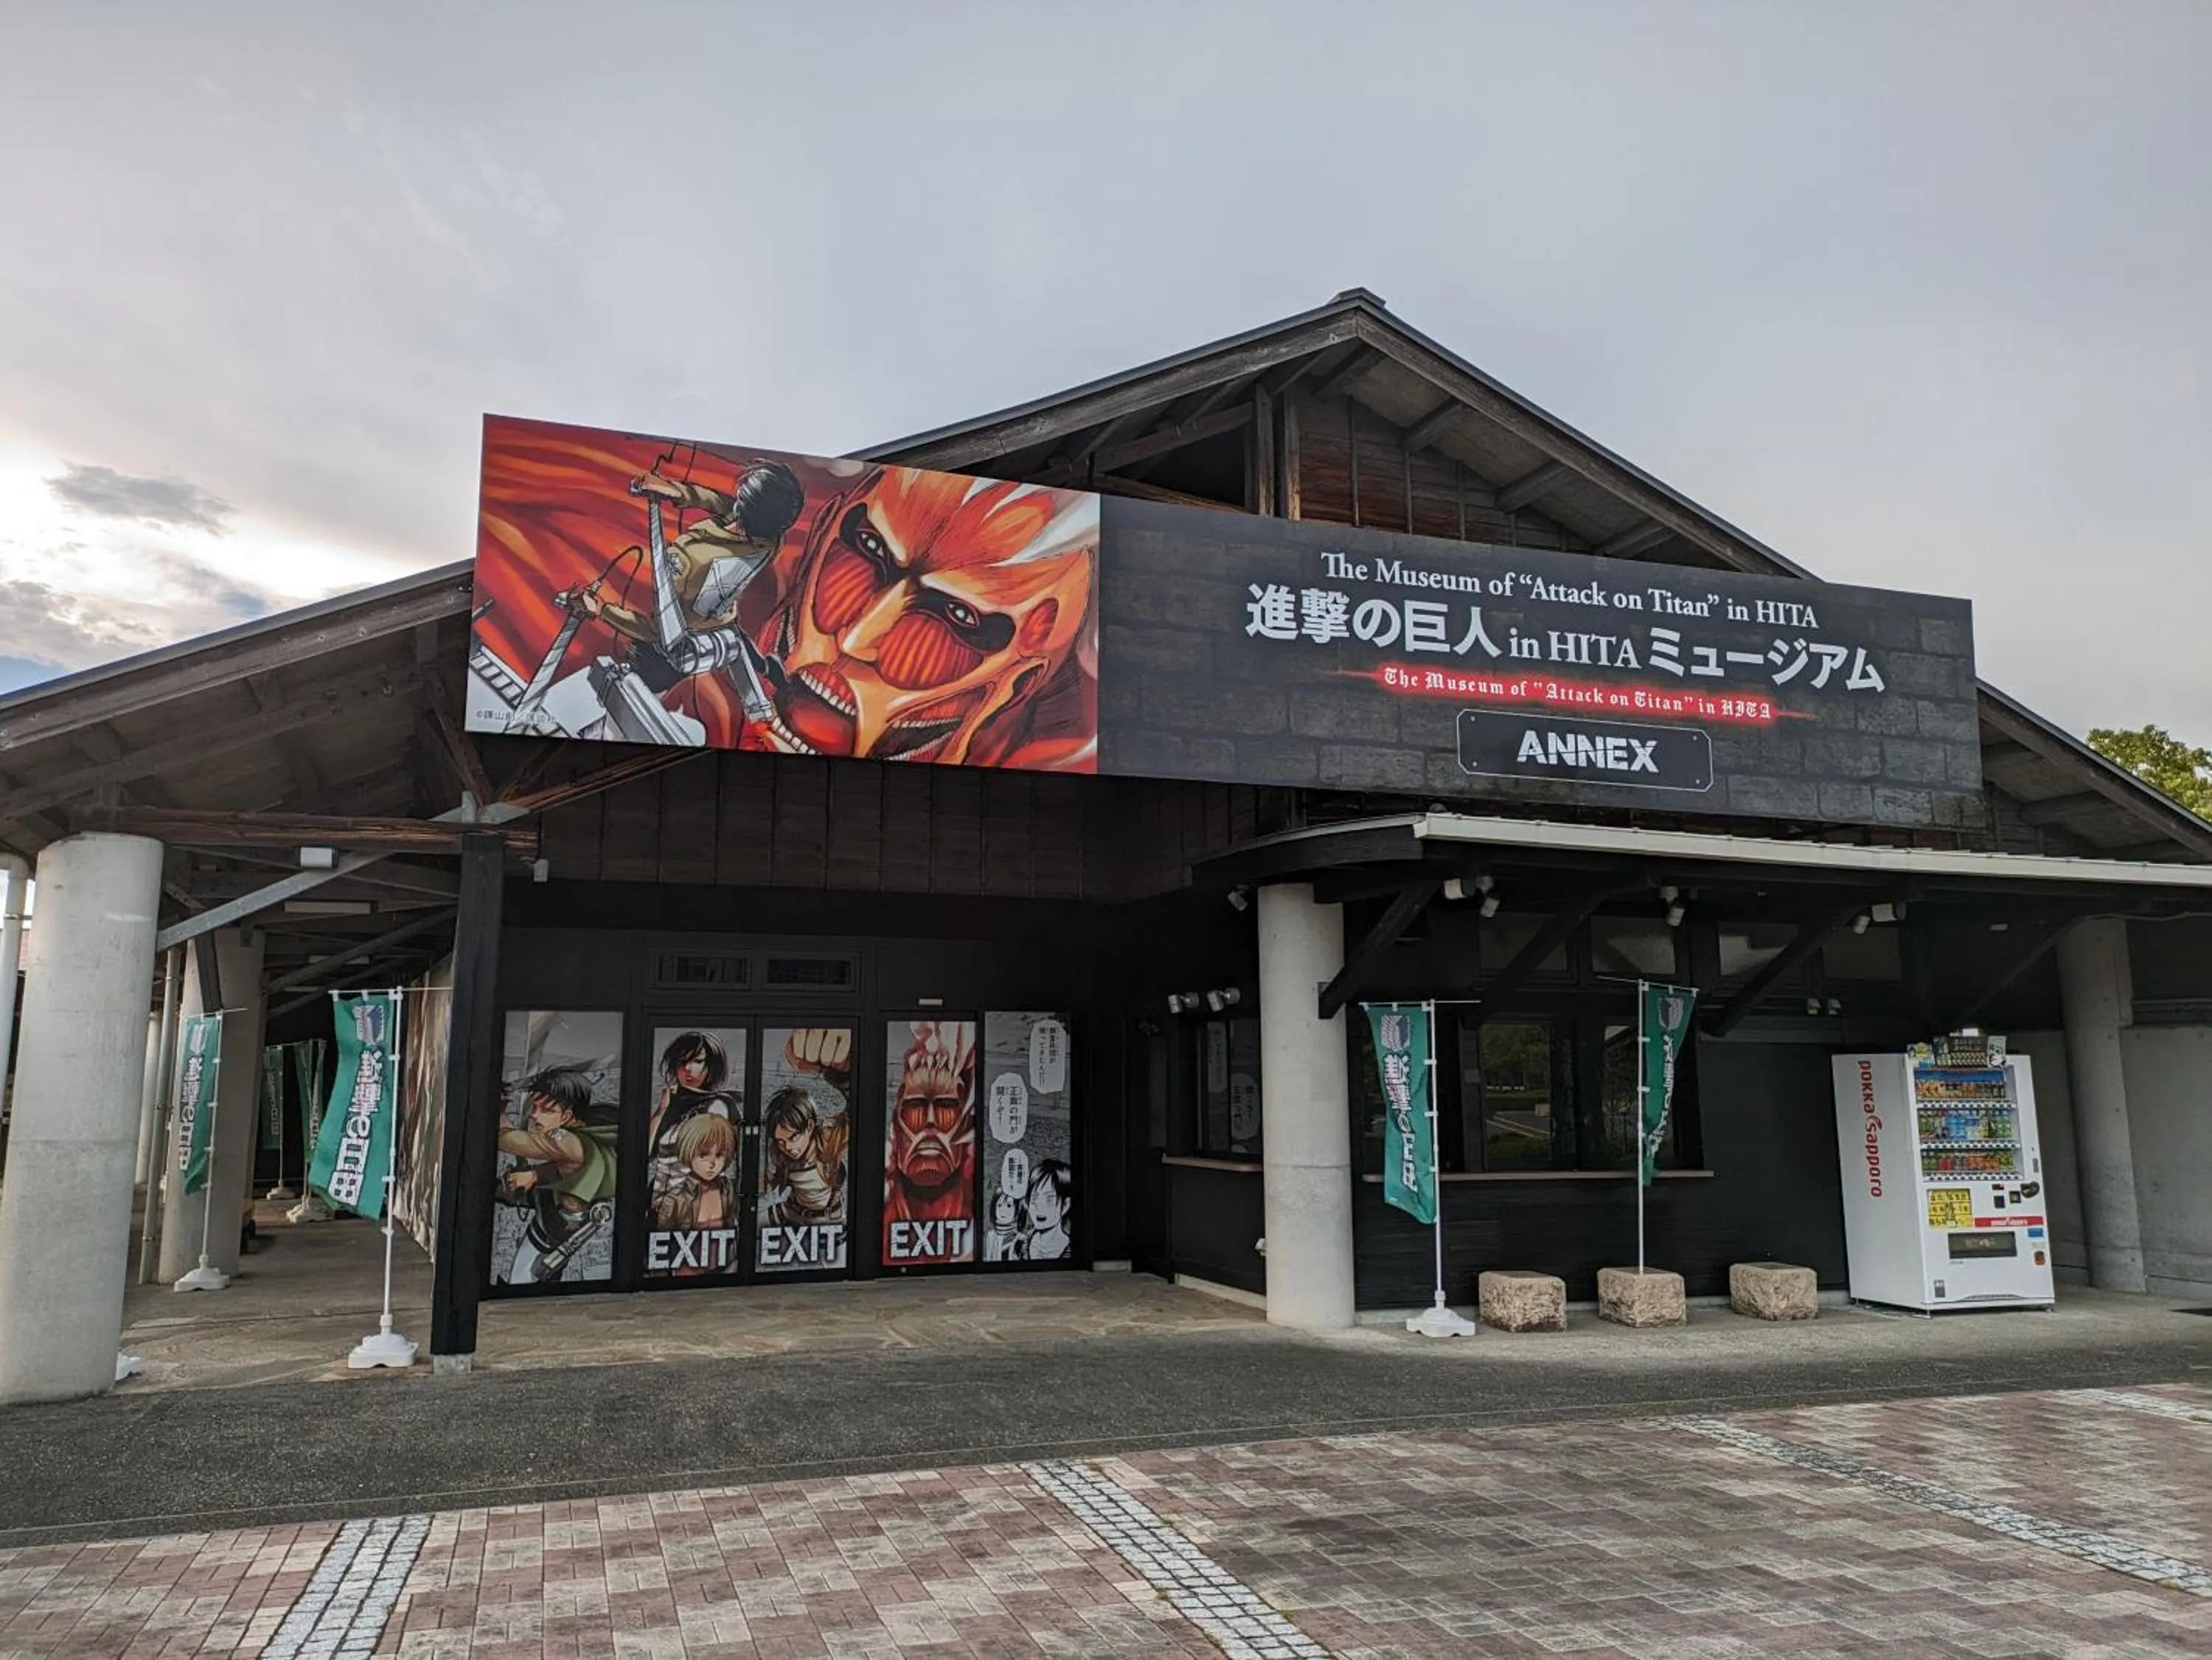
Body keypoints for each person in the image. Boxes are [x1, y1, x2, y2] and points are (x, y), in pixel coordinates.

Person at [568, 458, 806, 692]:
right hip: (720, 622)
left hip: (662, 658)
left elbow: (660, 632)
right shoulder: (771, 541)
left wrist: (600, 609)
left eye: (742, 496)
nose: (737, 498)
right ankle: (765, 667)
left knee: (625, 692)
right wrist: (677, 491)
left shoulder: (695, 564)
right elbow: (722, 503)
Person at [495, 1064, 620, 1283]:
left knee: (522, 1277)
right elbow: (570, 1167)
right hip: (568, 1213)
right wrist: (535, 1176)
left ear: (567, 1115)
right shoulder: (592, 1124)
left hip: (555, 1226)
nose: (534, 1116)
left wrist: (499, 1106)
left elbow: (506, 1139)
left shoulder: (564, 1140)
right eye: (534, 1107)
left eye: (546, 1110)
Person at [759, 1085, 849, 1231]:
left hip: (830, 1218)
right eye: (781, 1141)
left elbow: (855, 1112)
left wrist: (840, 1077)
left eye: (794, 1137)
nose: (788, 1147)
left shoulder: (828, 1139)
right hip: (792, 1212)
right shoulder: (779, 1152)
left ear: (809, 1126)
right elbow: (766, 1184)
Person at [646, 1030, 742, 1163]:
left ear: (712, 1065)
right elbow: (647, 1153)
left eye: (698, 1061)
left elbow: (710, 1159)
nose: (688, 1068)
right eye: (681, 1061)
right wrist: (661, 1111)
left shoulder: (718, 1104)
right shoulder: (672, 1102)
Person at [1020, 1159, 1074, 1262]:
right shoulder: (1020, 1244)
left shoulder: (1073, 1251)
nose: (1040, 1207)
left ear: (1066, 1205)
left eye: (1049, 1199)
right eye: (1035, 1198)